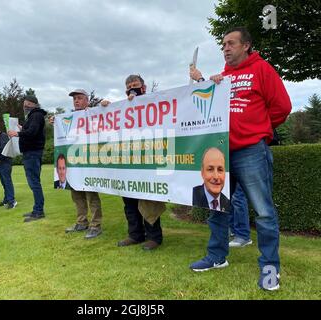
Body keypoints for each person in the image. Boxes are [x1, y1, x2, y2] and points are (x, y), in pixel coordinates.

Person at [189, 27, 292, 291]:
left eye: (230, 43)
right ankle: (216, 257)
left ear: (246, 45)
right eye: (223, 44)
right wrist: (210, 83)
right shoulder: (223, 77)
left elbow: (282, 107)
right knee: (217, 207)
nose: (225, 48)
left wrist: (260, 130)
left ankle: (270, 270)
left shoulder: (262, 69)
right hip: (223, 153)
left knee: (264, 212)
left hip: (251, 151)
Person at [102, 75, 164, 251]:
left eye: (135, 85)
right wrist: (106, 107)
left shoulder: (153, 102)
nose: (132, 88)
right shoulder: (123, 108)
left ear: (143, 87)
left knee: (148, 201)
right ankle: (135, 235)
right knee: (129, 202)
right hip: (127, 162)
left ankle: (154, 237)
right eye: (129, 86)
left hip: (147, 160)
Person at [63, 89, 103, 239]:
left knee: (91, 195)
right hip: (74, 162)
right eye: (74, 99)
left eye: (79, 98)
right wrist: (56, 122)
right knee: (76, 194)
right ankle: (82, 222)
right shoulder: (70, 118)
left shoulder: (93, 114)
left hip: (89, 162)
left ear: (87, 100)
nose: (76, 101)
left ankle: (96, 225)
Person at [8, 95, 47, 222]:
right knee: (34, 182)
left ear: (34, 104)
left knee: (34, 182)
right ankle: (37, 209)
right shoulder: (34, 116)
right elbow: (31, 130)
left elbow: (33, 132)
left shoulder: (36, 115)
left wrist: (17, 133)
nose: (25, 106)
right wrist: (23, 128)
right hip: (31, 152)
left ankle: (38, 211)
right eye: (25, 103)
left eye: (28, 104)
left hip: (32, 153)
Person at [192, 147, 230, 213]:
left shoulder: (228, 203)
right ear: (202, 173)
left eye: (220, 170)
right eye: (210, 169)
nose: (216, 177)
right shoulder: (192, 196)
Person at [0, 126, 17, 209]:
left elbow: (4, 147)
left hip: (5, 162)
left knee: (7, 181)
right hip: (0, 162)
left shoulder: (3, 136)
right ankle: (6, 199)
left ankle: (12, 201)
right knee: (3, 182)